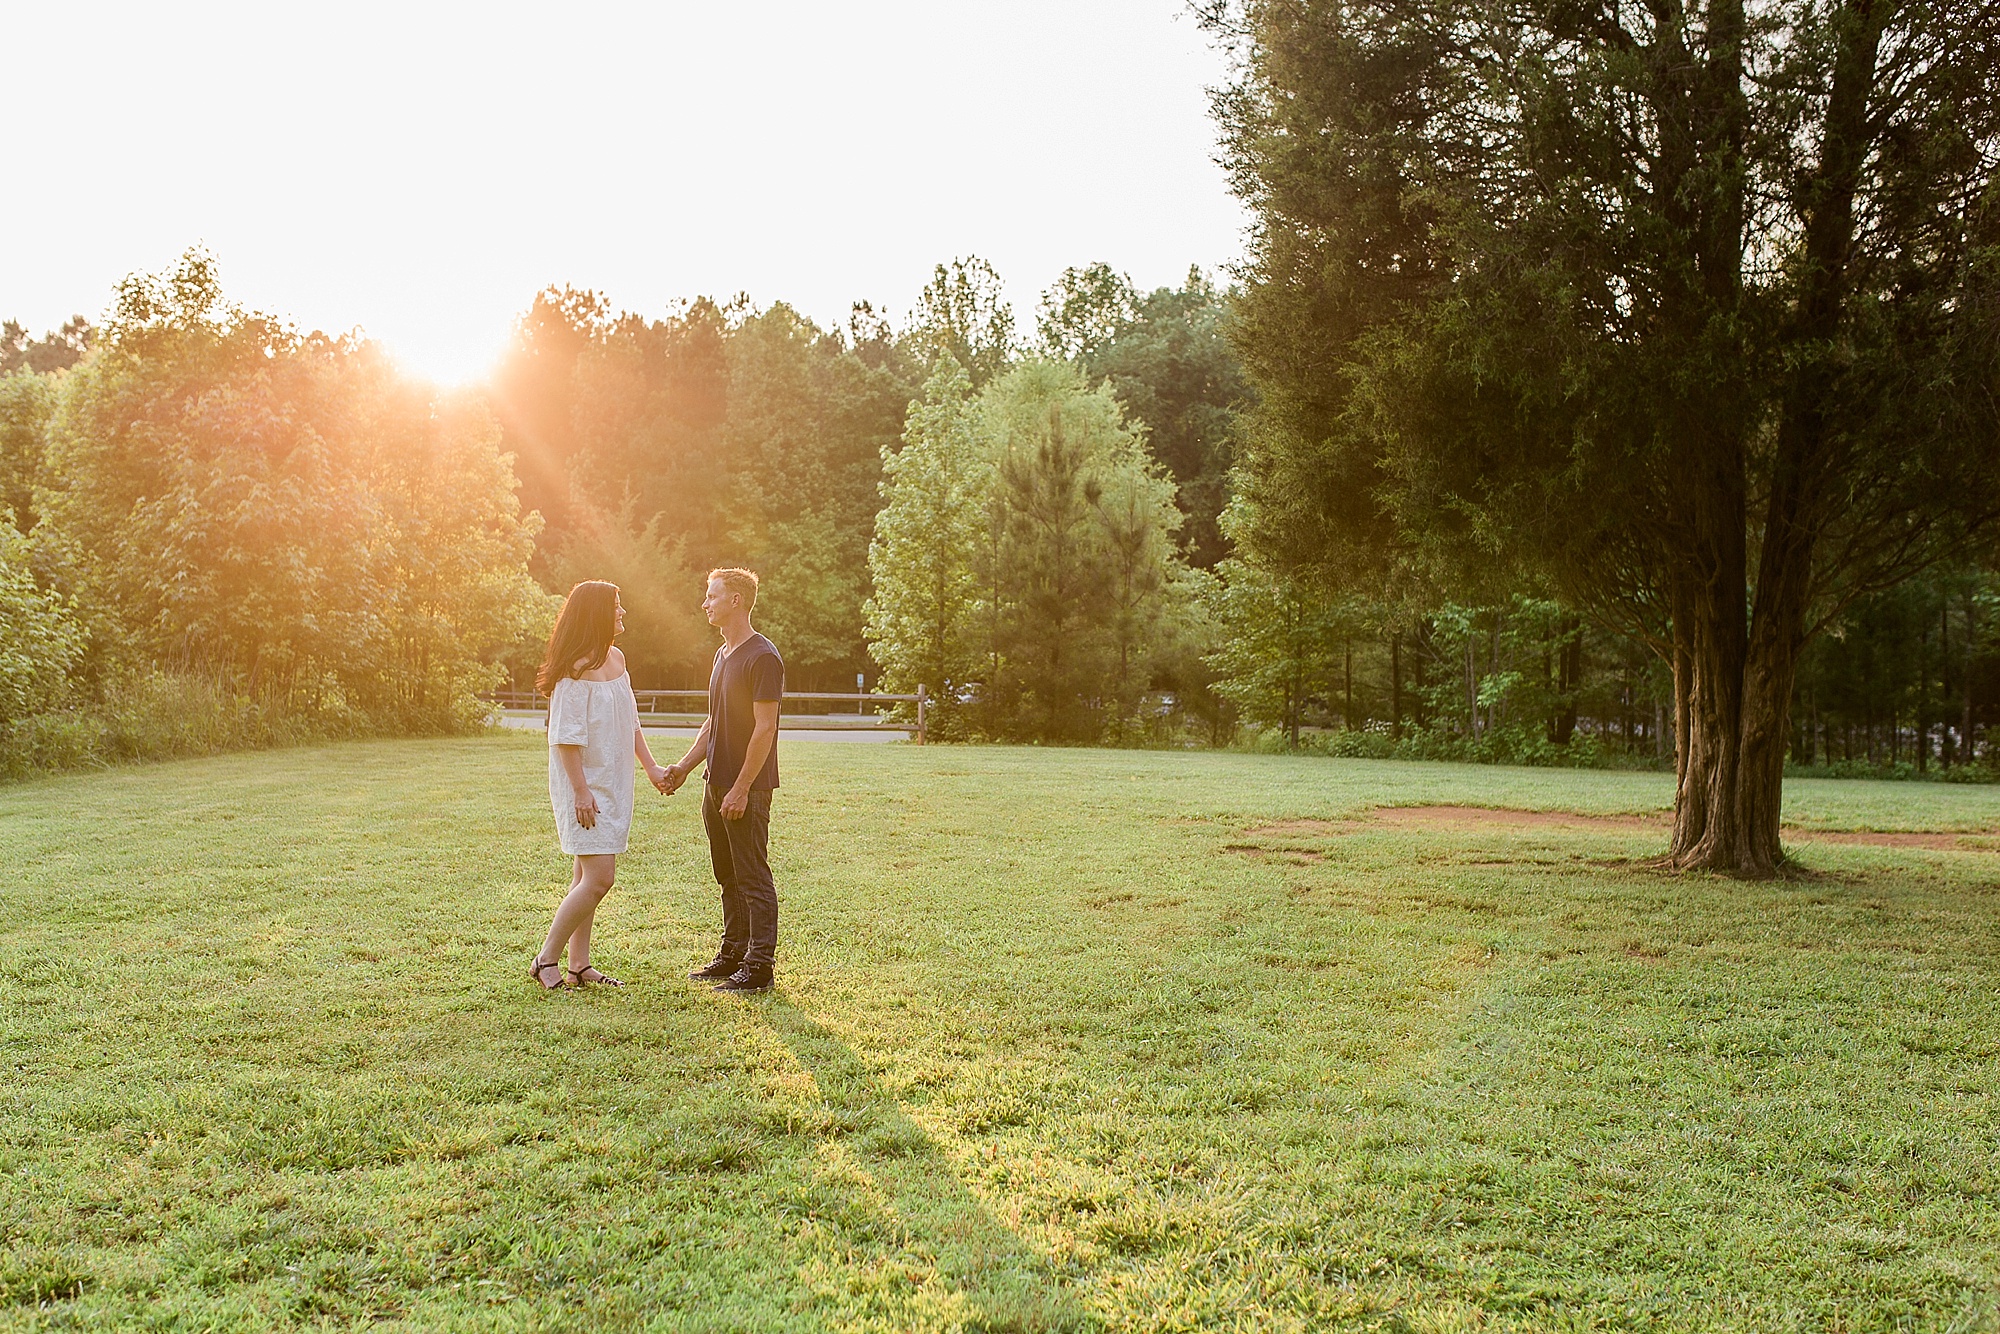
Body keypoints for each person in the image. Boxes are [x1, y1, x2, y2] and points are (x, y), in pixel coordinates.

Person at [529, 581, 671, 990]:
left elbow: (632, 722)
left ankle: (579, 965)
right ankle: (546, 959)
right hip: (585, 785)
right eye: (616, 606)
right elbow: (564, 736)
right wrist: (580, 790)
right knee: (600, 878)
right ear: (596, 614)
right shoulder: (574, 670)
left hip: (613, 780)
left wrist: (651, 768)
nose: (623, 612)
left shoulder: (618, 660)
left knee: (584, 876)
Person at [660, 568, 783, 994]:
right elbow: (714, 722)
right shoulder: (722, 655)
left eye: (712, 596)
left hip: (745, 786)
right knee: (727, 873)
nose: (704, 603)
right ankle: (733, 953)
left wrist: (742, 787)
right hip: (716, 784)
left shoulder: (763, 657)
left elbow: (765, 728)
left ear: (736, 600)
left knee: (752, 875)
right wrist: (685, 767)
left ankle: (759, 966)